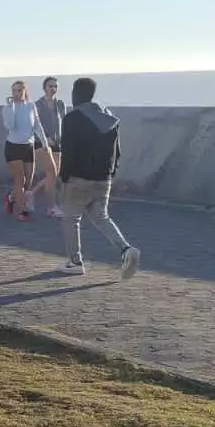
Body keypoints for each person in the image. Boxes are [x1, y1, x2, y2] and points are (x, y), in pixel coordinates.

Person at [58, 78, 140, 279]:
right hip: (104, 178)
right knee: (101, 218)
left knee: (71, 218)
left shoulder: (72, 118)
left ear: (76, 93)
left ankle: (75, 261)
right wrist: (111, 173)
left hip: (78, 178)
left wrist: (63, 177)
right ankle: (126, 249)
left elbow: (68, 152)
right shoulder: (109, 117)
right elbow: (117, 151)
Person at [3, 80, 47, 222]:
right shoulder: (8, 108)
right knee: (19, 180)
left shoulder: (31, 106)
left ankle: (10, 198)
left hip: (28, 146)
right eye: (14, 91)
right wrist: (12, 108)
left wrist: (45, 143)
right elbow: (10, 125)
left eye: (20, 90)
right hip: (13, 146)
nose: (17, 93)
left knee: (28, 182)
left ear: (24, 91)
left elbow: (37, 125)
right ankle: (22, 211)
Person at [32, 76, 67, 218]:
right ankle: (51, 207)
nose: (53, 89)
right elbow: (34, 125)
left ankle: (29, 194)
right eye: (50, 86)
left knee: (53, 175)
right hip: (42, 143)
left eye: (55, 86)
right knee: (51, 174)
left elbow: (64, 122)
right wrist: (45, 138)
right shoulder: (38, 104)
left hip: (58, 143)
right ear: (44, 87)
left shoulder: (61, 104)